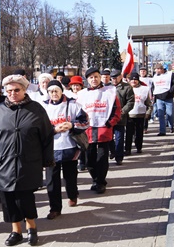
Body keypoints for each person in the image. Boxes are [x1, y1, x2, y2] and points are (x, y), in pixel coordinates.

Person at [0, 74, 54, 246]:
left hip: (28, 162)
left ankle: (32, 229)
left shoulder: (36, 109)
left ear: (25, 90)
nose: (12, 93)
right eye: (9, 90)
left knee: (25, 197)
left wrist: (47, 159)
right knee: (8, 198)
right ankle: (15, 231)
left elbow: (47, 137)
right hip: (3, 163)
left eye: (16, 90)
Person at [43, 80, 89, 220]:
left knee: (70, 176)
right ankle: (55, 208)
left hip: (70, 146)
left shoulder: (73, 105)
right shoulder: (43, 107)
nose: (54, 94)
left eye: (56, 90)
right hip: (51, 149)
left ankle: (72, 195)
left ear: (62, 91)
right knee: (51, 180)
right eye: (51, 91)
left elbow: (86, 122)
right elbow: (38, 128)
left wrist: (71, 125)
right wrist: (54, 129)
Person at [76, 68, 121, 194]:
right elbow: (77, 112)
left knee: (102, 158)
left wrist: (109, 123)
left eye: (96, 76)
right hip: (88, 131)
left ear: (100, 77)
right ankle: (95, 179)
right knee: (90, 159)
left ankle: (101, 182)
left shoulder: (110, 92)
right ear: (87, 80)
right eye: (91, 77)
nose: (94, 79)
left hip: (103, 130)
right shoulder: (82, 94)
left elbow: (117, 110)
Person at [109, 69, 135, 165]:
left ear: (120, 77)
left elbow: (130, 102)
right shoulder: (107, 87)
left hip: (120, 117)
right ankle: (112, 151)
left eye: (116, 78)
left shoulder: (127, 88)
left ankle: (119, 157)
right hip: (108, 117)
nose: (114, 80)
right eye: (112, 78)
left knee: (119, 138)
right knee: (109, 137)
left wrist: (122, 111)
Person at [126, 72, 152, 153]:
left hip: (140, 115)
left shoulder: (144, 89)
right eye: (132, 80)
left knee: (139, 133)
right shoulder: (126, 89)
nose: (134, 81)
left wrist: (148, 113)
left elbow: (149, 103)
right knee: (129, 133)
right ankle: (127, 149)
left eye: (135, 80)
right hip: (129, 115)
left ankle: (138, 147)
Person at [151, 63, 174, 136]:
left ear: (161, 69)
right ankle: (162, 131)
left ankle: (171, 126)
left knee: (170, 114)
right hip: (159, 98)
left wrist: (171, 91)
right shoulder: (155, 77)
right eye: (155, 69)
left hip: (168, 97)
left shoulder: (170, 75)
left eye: (157, 69)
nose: (156, 71)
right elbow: (153, 86)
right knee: (160, 115)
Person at [68, 75, 87, 171]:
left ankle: (83, 163)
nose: (76, 87)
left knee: (81, 142)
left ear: (81, 86)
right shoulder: (67, 95)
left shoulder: (84, 94)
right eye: (74, 85)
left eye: (78, 85)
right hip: (71, 121)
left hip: (82, 120)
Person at [139, 67, 153, 132]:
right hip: (139, 97)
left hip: (148, 97)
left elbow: (152, 88)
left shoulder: (149, 79)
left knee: (146, 113)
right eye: (141, 71)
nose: (143, 72)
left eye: (144, 71)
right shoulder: (138, 79)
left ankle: (145, 128)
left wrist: (152, 96)